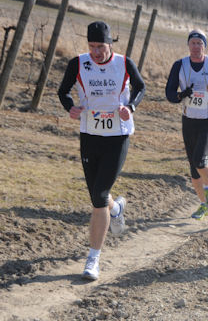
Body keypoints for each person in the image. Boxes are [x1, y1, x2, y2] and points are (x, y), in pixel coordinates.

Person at [57, 21, 145, 280]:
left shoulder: (124, 63)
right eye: (92, 46)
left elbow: (141, 88)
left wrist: (131, 107)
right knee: (98, 194)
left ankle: (93, 259)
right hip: (90, 135)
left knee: (99, 195)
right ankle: (116, 209)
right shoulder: (78, 63)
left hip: (117, 136)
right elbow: (62, 92)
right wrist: (70, 107)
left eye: (101, 47)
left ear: (110, 44)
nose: (96, 52)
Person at [165, 30, 208, 220]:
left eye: (199, 43)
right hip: (189, 121)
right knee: (193, 169)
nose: (196, 47)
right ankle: (204, 204)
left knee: (200, 159)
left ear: (204, 46)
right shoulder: (180, 65)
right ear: (188, 45)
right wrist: (181, 95)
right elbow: (169, 93)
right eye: (193, 43)